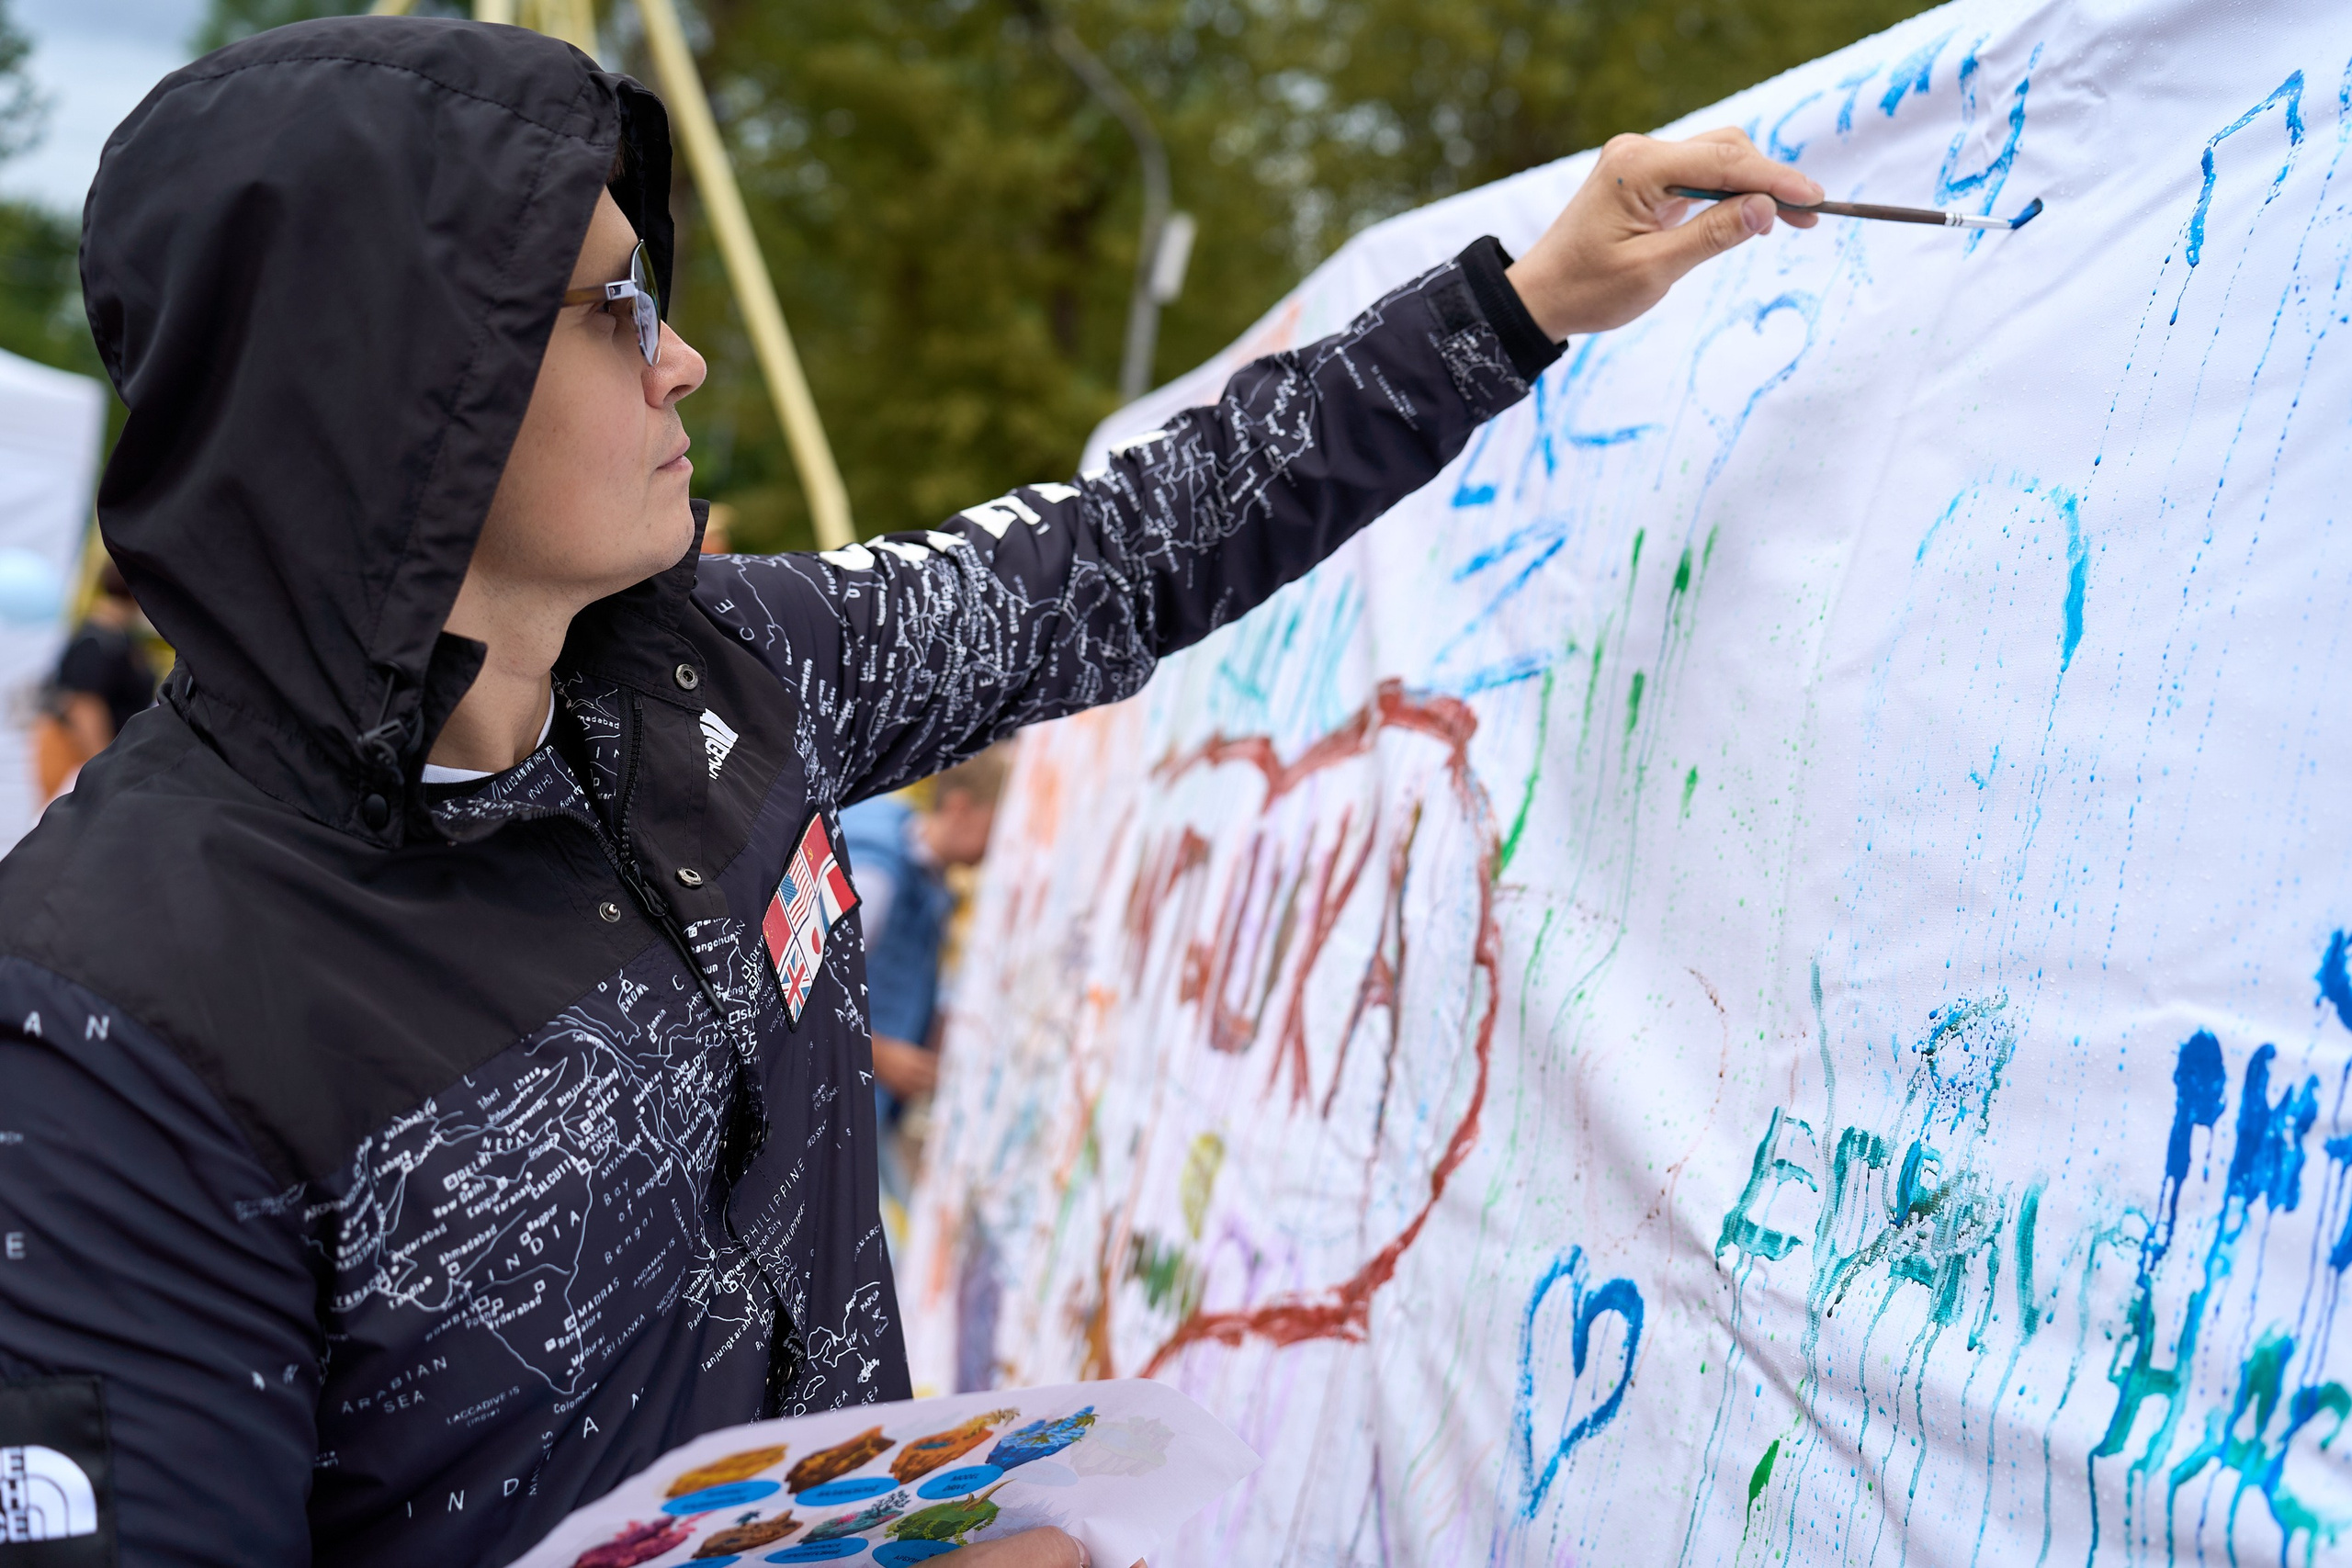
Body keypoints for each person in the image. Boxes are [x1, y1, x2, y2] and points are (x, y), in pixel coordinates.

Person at [0, 15, 1820, 1567]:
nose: (684, 354)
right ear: (398, 385)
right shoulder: (109, 1028)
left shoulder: (719, 667)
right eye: (607, 306)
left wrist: (1519, 302)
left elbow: (1124, 552)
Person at [844, 744, 1012, 1116]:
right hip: (832, 1102)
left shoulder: (931, 882)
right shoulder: (877, 878)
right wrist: (881, 1057)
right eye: (996, 825)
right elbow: (799, 993)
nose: (1002, 845)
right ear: (959, 808)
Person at [35, 558, 155, 797]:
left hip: (93, 751)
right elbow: (85, 707)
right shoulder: (98, 641)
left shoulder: (120, 639)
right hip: (75, 751)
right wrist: (102, 768)